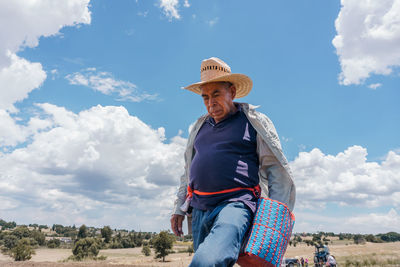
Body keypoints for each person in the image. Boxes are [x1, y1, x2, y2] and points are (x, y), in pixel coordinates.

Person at [170, 57, 296, 267]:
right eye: (205, 97)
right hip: (200, 210)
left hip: (236, 204)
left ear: (233, 92)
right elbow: (188, 171)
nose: (211, 103)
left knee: (206, 262)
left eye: (216, 94)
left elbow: (275, 169)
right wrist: (178, 208)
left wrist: (276, 220)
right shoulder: (199, 127)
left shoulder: (253, 122)